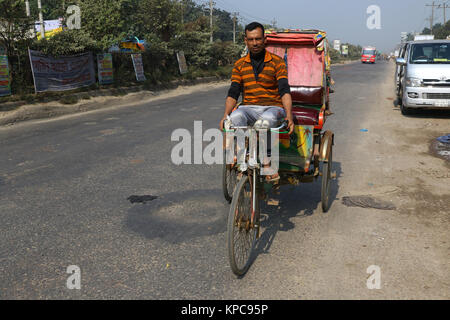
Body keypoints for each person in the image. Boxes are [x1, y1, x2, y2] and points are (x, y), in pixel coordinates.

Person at [220, 22, 294, 181]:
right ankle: (241, 163)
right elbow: (233, 92)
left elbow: (284, 90)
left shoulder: (277, 62)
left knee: (265, 121)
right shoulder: (240, 65)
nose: (255, 43)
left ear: (265, 39)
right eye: (251, 39)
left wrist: (289, 115)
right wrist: (225, 115)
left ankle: (266, 163)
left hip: (273, 108)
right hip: (249, 108)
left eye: (258, 39)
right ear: (245, 40)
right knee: (235, 118)